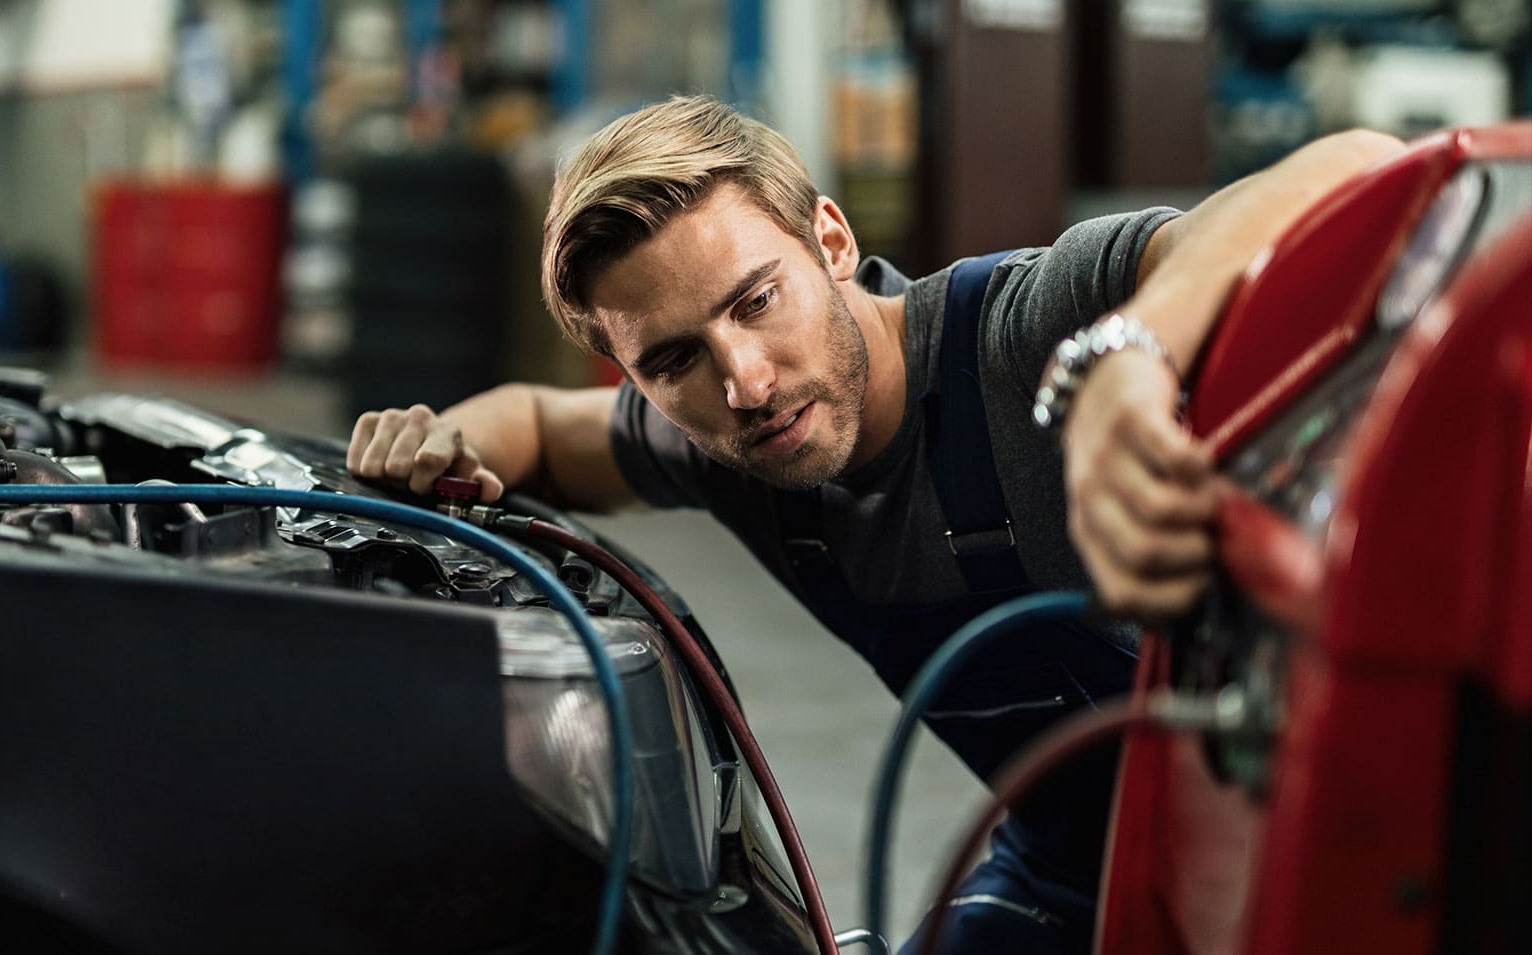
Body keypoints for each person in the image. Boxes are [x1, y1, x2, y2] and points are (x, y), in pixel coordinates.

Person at [347, 95, 1402, 952]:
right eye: (672, 359)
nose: (746, 383)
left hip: (1296, 861)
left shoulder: (1021, 338)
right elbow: (535, 423)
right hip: (1068, 871)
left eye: (756, 301)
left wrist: (1132, 355)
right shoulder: (724, 444)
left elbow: (1362, 167)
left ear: (832, 239)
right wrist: (434, 441)